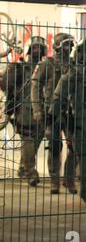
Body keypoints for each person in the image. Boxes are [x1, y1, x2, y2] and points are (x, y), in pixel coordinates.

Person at [49, 36, 86, 208]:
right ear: (81, 55)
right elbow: (58, 96)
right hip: (78, 123)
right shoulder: (74, 73)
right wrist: (49, 119)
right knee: (85, 161)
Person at [31, 32, 78, 194]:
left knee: (74, 147)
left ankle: (69, 179)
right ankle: (54, 181)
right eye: (65, 45)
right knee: (55, 146)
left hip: (70, 112)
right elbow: (35, 86)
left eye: (70, 45)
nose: (68, 48)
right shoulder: (47, 64)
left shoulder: (74, 64)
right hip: (52, 112)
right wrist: (37, 108)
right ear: (57, 46)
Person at [0, 36, 47, 186]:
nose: (36, 50)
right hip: (24, 110)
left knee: (35, 142)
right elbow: (9, 89)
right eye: (34, 48)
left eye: (39, 48)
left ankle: (23, 165)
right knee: (28, 139)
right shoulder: (20, 67)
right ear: (28, 50)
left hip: (43, 109)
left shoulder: (47, 67)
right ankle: (31, 172)